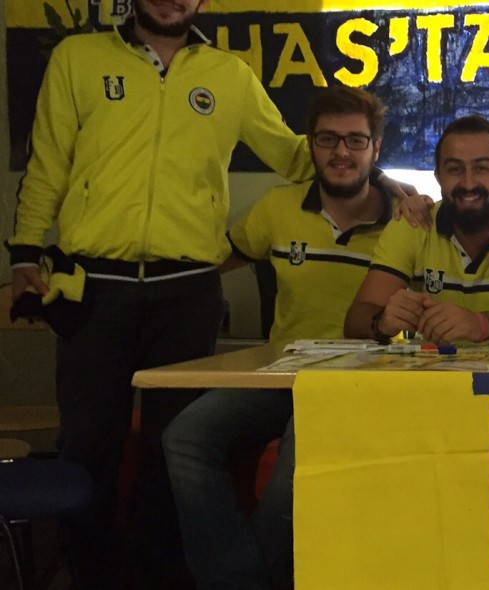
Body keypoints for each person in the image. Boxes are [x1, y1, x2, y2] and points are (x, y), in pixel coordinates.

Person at [2, 1, 313, 586]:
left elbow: (295, 154)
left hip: (187, 293)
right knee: (89, 445)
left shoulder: (230, 75)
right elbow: (48, 163)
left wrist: (377, 177)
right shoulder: (78, 58)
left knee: (172, 448)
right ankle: (93, 576)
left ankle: (154, 576)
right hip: (93, 289)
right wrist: (24, 252)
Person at [161, 86, 409, 589]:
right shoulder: (277, 208)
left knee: (297, 459)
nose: (341, 152)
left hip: (365, 380)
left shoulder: (410, 220)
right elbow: (211, 261)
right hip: (281, 374)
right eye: (328, 139)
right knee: (183, 436)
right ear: (310, 145)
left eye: (355, 140)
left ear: (376, 148)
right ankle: (242, 580)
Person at [344, 115, 489, 345]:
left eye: (482, 168)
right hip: (433, 369)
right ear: (438, 176)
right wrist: (382, 321)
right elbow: (355, 321)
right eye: (455, 169)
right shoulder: (412, 224)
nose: (468, 183)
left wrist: (482, 324)